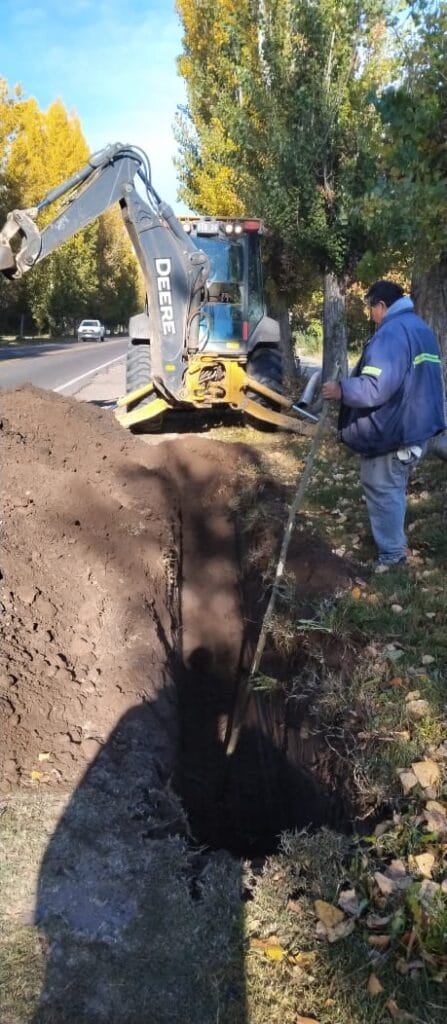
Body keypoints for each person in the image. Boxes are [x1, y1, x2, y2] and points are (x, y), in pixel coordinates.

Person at [321, 280, 446, 570]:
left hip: (396, 429)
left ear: (382, 305)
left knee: (382, 485)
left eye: (371, 309)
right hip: (419, 425)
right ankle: (395, 546)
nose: (371, 316)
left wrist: (341, 390)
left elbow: (376, 386)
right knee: (393, 485)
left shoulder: (391, 333)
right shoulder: (419, 327)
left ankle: (392, 557)